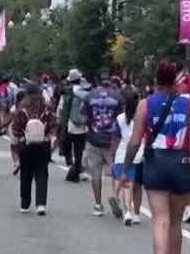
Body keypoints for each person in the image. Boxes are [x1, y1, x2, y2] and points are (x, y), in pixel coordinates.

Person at [125, 60, 190, 254]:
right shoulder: (189, 105)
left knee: (160, 221)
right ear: (176, 81)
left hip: (156, 162)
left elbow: (136, 141)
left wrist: (126, 167)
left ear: (156, 81)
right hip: (181, 163)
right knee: (176, 223)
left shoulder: (145, 105)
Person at [10, 84, 57, 215]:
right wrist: (48, 137)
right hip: (43, 145)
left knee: (26, 174)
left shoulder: (22, 109)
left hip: (26, 146)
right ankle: (41, 204)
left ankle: (25, 203)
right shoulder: (47, 108)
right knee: (42, 174)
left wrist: (21, 138)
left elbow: (15, 128)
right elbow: (53, 125)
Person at [82, 76, 122, 217]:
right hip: (112, 141)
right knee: (116, 171)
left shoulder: (89, 96)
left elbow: (83, 118)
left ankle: (98, 205)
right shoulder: (117, 97)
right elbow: (122, 119)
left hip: (94, 139)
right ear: (110, 84)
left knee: (95, 174)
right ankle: (115, 196)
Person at [110, 86, 143, 226]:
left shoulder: (120, 118)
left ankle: (127, 211)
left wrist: (112, 153)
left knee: (126, 185)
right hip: (141, 154)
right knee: (138, 186)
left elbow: (116, 138)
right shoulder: (143, 116)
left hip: (124, 153)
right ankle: (136, 213)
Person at [58, 69, 89, 183]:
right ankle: (76, 170)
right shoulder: (85, 92)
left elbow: (61, 109)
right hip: (82, 125)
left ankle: (73, 170)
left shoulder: (66, 92)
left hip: (69, 124)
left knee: (68, 147)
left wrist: (61, 123)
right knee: (79, 150)